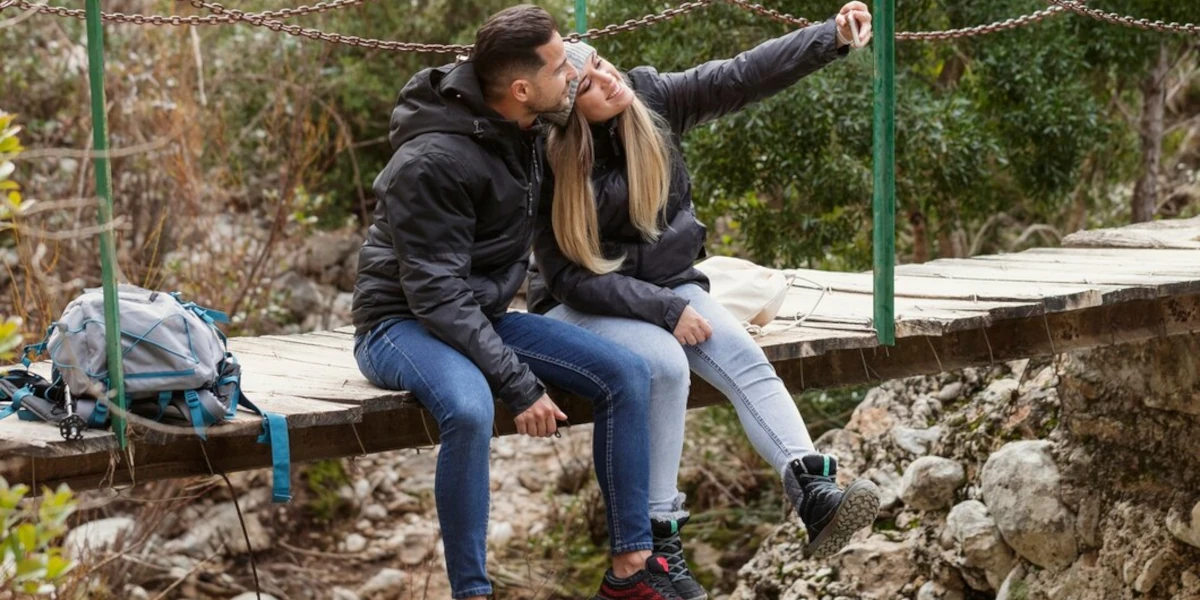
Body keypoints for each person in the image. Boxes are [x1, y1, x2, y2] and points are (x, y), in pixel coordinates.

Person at [529, 4, 882, 598]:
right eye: (586, 84)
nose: (609, 80)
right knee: (663, 367)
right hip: (582, 302)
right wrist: (665, 311)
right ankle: (661, 545)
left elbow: (742, 74)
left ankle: (813, 490)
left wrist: (830, 37)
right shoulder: (550, 162)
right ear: (567, 109)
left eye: (605, 66)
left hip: (671, 286)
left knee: (741, 354)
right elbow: (568, 279)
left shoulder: (652, 101)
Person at [352, 6, 683, 599]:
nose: (575, 76)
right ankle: (472, 592)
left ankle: (631, 566)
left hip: (480, 315)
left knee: (628, 373)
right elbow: (435, 294)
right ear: (523, 88)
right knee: (471, 406)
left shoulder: (523, 128)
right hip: (398, 324)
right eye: (562, 68)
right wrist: (521, 386)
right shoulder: (432, 160)